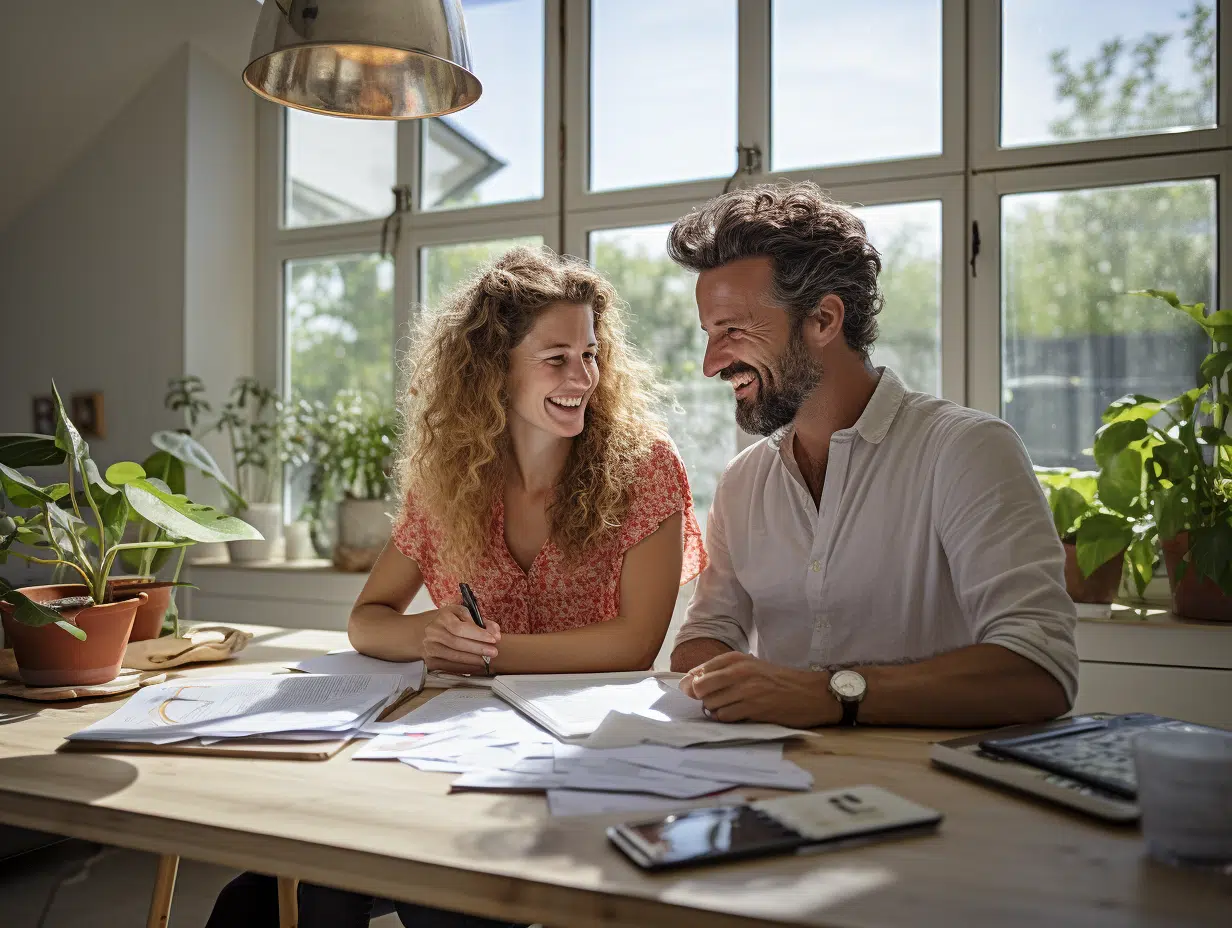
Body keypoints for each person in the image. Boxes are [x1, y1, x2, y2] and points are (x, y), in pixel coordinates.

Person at [207, 246, 705, 928]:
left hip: (585, 758)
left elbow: (633, 643)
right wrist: (426, 634)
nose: (582, 376)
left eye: (590, 353)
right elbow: (368, 619)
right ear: (494, 370)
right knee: (269, 896)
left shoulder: (646, 466)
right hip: (458, 752)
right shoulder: (453, 476)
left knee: (443, 903)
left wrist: (486, 653)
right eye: (556, 357)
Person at [667, 182, 1078, 730]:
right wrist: (720, 682)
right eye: (709, 334)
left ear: (824, 321)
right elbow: (707, 633)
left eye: (733, 331)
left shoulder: (967, 451)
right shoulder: (744, 481)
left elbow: (1040, 669)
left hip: (933, 793)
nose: (711, 363)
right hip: (774, 783)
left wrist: (830, 695)